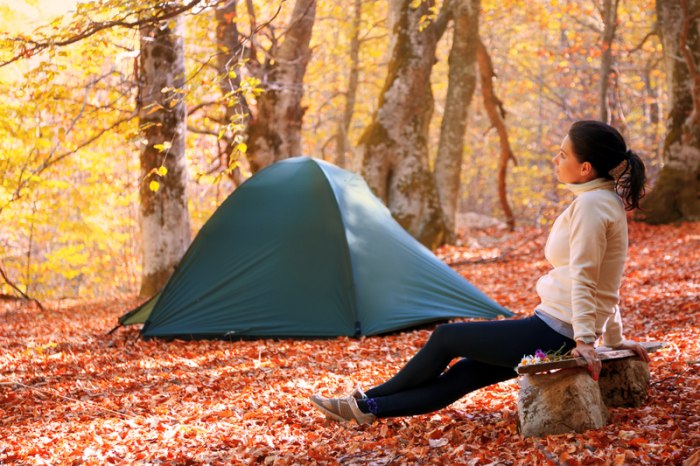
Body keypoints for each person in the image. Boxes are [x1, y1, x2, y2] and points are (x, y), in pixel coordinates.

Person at [310, 120, 652, 425]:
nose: (555, 160)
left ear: (586, 168)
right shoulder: (602, 201)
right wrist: (613, 338)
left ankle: (363, 400)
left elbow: (587, 276)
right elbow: (609, 280)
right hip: (558, 325)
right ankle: (367, 408)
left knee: (447, 338)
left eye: (563, 155)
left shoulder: (592, 206)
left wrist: (587, 342)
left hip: (557, 330)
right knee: (463, 375)